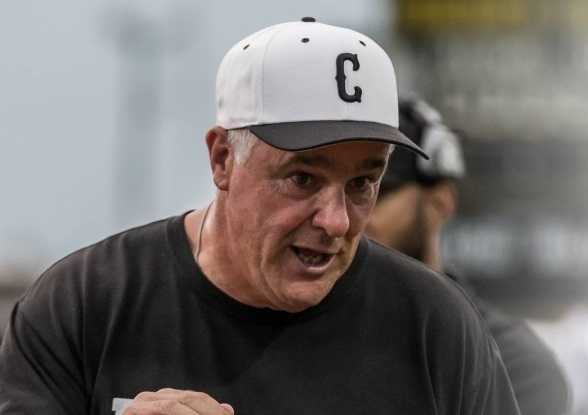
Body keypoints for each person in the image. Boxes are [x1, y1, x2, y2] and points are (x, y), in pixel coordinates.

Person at [0, 19, 521, 415]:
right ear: (222, 159)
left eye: (362, 183)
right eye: (303, 178)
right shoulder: (85, 305)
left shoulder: (434, 325)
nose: (336, 221)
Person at [366, 97, 570, 415]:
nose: (348, 214)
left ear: (441, 202)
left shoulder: (510, 363)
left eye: (377, 191)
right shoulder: (295, 328)